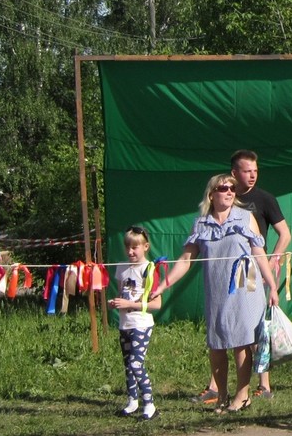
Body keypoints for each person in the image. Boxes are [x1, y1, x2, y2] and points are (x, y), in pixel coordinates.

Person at [148, 174, 279, 414]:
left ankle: (242, 396)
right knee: (217, 345)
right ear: (211, 194)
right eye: (223, 188)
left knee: (241, 343)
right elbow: (185, 261)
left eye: (232, 188)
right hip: (216, 289)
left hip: (245, 287)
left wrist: (271, 285)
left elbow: (259, 253)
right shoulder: (201, 224)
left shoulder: (246, 217)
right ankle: (221, 396)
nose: (229, 191)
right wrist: (162, 285)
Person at [227, 150, 292, 400]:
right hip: (227, 270)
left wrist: (272, 260)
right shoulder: (225, 197)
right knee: (228, 325)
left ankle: (264, 384)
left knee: (256, 326)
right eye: (247, 171)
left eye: (255, 170)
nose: (252, 175)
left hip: (253, 270)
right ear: (234, 173)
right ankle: (216, 385)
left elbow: (285, 234)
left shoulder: (264, 199)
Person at [107, 226, 160, 420]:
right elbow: (122, 293)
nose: (130, 251)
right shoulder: (122, 267)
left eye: (135, 247)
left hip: (142, 323)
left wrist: (130, 304)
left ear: (145, 246)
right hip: (125, 323)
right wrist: (115, 303)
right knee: (128, 365)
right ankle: (132, 401)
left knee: (136, 363)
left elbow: (157, 303)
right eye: (127, 247)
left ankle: (150, 404)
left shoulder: (150, 268)